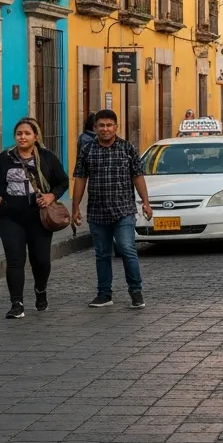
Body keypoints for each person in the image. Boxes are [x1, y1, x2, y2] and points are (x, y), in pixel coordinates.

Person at [0, 118, 68, 319]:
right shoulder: (5, 158)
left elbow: (63, 181)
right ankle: (17, 303)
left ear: (35, 137)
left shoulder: (47, 158)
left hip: (38, 217)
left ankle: (40, 290)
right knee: (15, 259)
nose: (22, 137)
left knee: (41, 261)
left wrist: (51, 196)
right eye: (19, 133)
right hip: (10, 216)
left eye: (27, 133)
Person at [70, 108, 150, 309]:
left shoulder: (127, 149)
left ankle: (136, 291)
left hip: (123, 210)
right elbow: (80, 178)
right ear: (95, 128)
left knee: (126, 249)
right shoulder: (87, 150)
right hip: (97, 212)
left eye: (109, 125)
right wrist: (75, 208)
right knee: (102, 254)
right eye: (101, 126)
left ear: (116, 127)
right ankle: (104, 294)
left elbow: (137, 176)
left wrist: (146, 202)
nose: (105, 129)